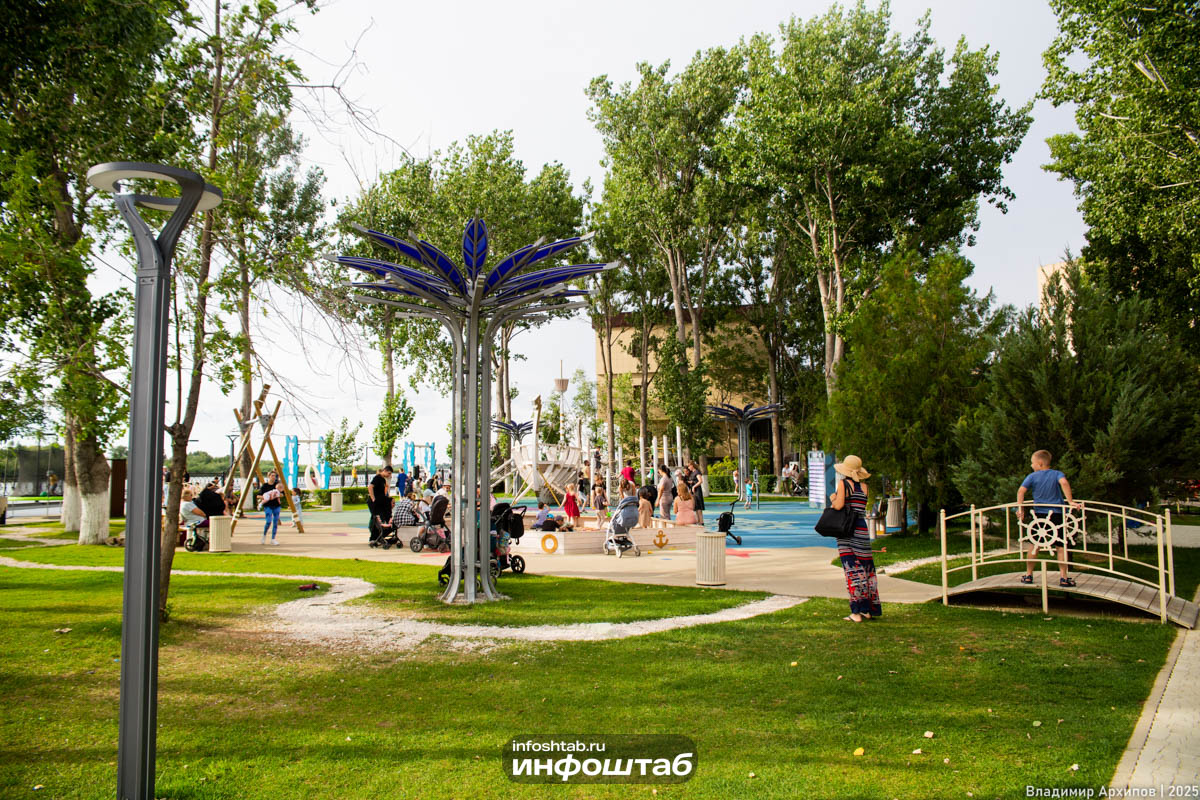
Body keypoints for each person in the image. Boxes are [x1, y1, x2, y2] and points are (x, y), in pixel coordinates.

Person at [1017, 449, 1082, 587]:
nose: (1031, 465)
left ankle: (1028, 575)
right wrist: (1070, 501)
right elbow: (1064, 483)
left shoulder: (1032, 477)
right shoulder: (1057, 474)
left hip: (1039, 515)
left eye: (1032, 463)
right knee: (1061, 546)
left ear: (1040, 463)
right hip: (1057, 514)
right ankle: (1064, 578)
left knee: (1034, 545)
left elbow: (1021, 491)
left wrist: (1020, 508)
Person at [829, 455, 881, 622]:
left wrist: (833, 498)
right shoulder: (864, 487)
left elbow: (839, 505)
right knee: (866, 568)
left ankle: (856, 611)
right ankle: (868, 609)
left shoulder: (844, 484)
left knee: (852, 569)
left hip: (847, 530)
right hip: (861, 528)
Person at [367, 465, 394, 544]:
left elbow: (383, 492)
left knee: (382, 518)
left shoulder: (383, 480)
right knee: (376, 518)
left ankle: (380, 536)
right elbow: (370, 487)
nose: (389, 475)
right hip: (375, 502)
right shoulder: (377, 478)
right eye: (389, 473)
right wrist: (373, 498)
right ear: (384, 471)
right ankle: (373, 538)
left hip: (380, 501)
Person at [257, 470, 283, 545]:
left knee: (275, 522)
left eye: (275, 476)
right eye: (272, 476)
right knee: (268, 521)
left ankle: (273, 539)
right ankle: (264, 535)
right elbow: (258, 495)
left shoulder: (277, 485)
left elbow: (282, 494)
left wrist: (277, 495)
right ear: (269, 476)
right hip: (268, 505)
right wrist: (267, 497)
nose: (274, 477)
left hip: (276, 506)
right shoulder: (265, 486)